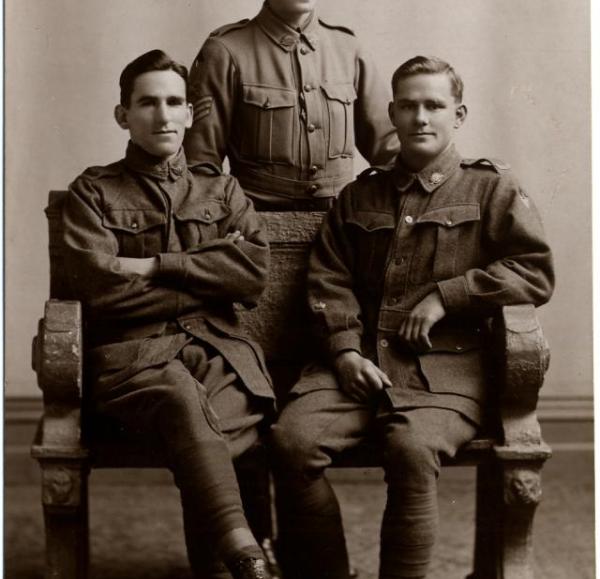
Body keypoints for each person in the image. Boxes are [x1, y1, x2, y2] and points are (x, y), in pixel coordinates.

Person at [270, 56, 555, 579]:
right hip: (356, 368)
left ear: (458, 114)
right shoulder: (360, 195)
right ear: (392, 114)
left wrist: (451, 294)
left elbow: (534, 272)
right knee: (291, 443)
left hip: (444, 374)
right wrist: (345, 350)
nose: (421, 117)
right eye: (408, 105)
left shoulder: (491, 190)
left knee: (410, 448)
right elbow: (328, 278)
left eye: (434, 105)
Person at [61, 49, 276, 579]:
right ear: (123, 115)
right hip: (132, 361)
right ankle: (247, 553)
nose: (162, 115)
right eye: (147, 103)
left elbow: (252, 274)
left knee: (206, 417)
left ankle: (227, 564)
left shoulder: (222, 188)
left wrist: (153, 266)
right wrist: (206, 277)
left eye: (173, 102)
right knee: (184, 400)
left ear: (190, 113)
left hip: (218, 352)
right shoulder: (93, 192)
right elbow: (101, 292)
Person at [183, 0, 400, 210]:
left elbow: (389, 150)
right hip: (256, 225)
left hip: (342, 227)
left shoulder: (349, 49)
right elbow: (201, 164)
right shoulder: (225, 50)